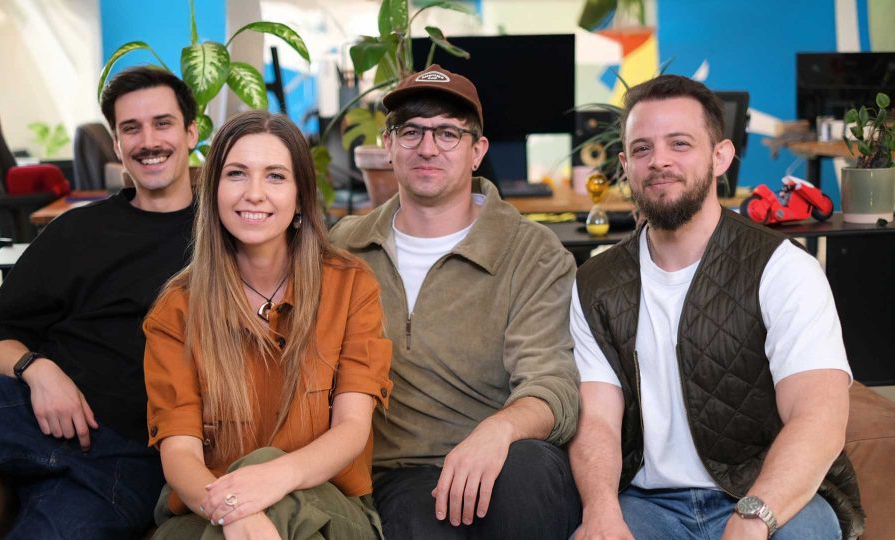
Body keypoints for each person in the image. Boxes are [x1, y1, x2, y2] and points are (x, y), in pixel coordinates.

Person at [568, 74, 864, 540]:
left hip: (771, 495)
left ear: (720, 156)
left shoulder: (783, 269)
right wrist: (601, 511)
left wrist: (753, 518)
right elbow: (598, 420)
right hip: (648, 504)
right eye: (642, 149)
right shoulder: (595, 284)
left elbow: (818, 418)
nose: (659, 161)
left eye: (680, 143)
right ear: (625, 164)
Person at [0, 65, 199, 538]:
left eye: (162, 123)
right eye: (130, 129)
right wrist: (38, 369)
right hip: (29, 414)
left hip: (132, 456)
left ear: (190, 132)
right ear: (117, 145)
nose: (148, 141)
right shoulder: (76, 231)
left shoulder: (221, 236)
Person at [330, 64, 582, 539]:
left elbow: (554, 385)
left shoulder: (531, 250)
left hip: (506, 459)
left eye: (448, 133)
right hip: (399, 473)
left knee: (527, 472)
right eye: (412, 132)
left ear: (477, 151)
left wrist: (498, 431)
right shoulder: (345, 248)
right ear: (387, 145)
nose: (428, 148)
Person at [143, 110, 393, 540]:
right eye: (237, 174)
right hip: (208, 505)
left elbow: (352, 430)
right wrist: (237, 510)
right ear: (214, 190)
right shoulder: (176, 310)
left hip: (330, 505)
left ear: (300, 196)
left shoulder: (350, 286)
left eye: (275, 176)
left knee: (271, 485)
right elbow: (179, 454)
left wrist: (273, 478)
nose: (254, 193)